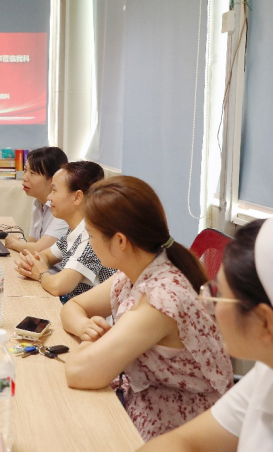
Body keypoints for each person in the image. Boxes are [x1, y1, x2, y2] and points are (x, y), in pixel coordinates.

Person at [61, 176, 233, 442]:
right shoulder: (135, 271)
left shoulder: (161, 299)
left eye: (92, 236)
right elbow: (73, 305)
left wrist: (90, 343)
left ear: (120, 241)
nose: (90, 243)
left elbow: (78, 372)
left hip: (178, 432)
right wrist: (85, 326)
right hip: (142, 404)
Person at [139, 218, 273, 451]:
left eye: (219, 294)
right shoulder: (266, 372)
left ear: (265, 322)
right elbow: (184, 442)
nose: (206, 303)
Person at [15, 161, 116, 300]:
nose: (49, 197)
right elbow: (44, 256)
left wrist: (41, 273)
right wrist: (32, 264)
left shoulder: (92, 236)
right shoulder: (74, 230)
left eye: (54, 190)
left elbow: (58, 286)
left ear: (77, 197)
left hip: (90, 313)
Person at [5, 146, 69, 259]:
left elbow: (39, 249)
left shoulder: (63, 208)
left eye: (32, 173)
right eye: (25, 170)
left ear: (52, 179)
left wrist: (14, 243)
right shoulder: (37, 202)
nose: (25, 177)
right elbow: (32, 244)